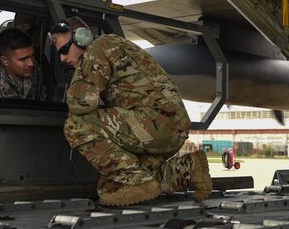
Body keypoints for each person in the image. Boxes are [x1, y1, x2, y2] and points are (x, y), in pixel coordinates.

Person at [49, 16, 212, 206]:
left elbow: (80, 104)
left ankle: (140, 182)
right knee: (111, 188)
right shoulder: (113, 45)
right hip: (164, 127)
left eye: (64, 50)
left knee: (76, 125)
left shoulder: (99, 47)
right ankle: (188, 168)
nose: (62, 58)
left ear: (82, 38)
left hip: (156, 123)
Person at [0, 27, 44, 100]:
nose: (31, 63)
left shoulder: (34, 68)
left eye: (32, 56)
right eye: (23, 59)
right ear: (5, 61)